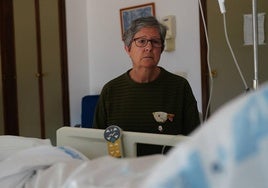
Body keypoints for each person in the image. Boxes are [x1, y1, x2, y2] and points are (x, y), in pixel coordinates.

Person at [93, 16, 200, 156]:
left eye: (155, 42)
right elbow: (96, 142)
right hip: (123, 171)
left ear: (161, 49)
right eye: (141, 41)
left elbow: (195, 139)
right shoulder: (110, 90)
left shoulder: (180, 87)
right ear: (127, 49)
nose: (149, 47)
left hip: (165, 170)